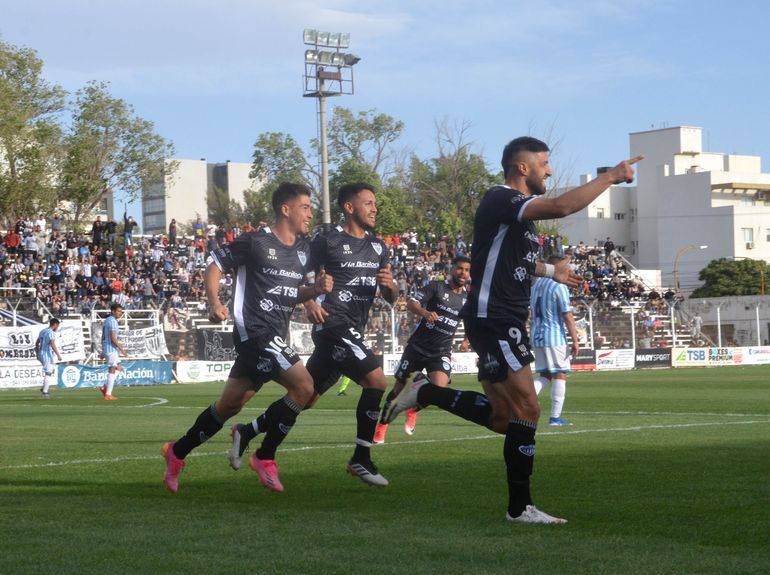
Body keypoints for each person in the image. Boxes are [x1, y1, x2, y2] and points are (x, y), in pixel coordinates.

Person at [384, 136, 641, 524]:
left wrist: (554, 270)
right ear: (522, 167)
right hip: (495, 318)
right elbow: (562, 206)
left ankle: (428, 392)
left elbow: (517, 262)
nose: (549, 170)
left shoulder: (519, 219)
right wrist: (611, 177)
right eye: (544, 163)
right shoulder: (500, 198)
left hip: (502, 318)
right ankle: (520, 508)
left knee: (507, 418)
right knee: (529, 409)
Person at [162, 183, 332, 494]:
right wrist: (215, 302)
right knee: (305, 387)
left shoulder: (301, 251)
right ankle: (265, 457)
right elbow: (214, 266)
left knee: (228, 407)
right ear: (286, 209)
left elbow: (291, 293)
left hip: (273, 335)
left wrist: (314, 292)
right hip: (253, 330)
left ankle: (176, 452)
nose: (311, 213)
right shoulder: (255, 242)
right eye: (305, 207)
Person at [232, 183, 397, 487]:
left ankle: (250, 432)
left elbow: (391, 297)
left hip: (352, 328)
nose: (375, 208)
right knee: (377, 381)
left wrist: (390, 287)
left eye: (375, 203)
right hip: (333, 325)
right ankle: (361, 458)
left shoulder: (378, 247)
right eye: (369, 203)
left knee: (305, 398)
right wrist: (309, 301)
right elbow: (299, 270)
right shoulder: (327, 241)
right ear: (349, 207)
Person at [374, 255, 471, 443]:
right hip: (417, 347)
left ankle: (412, 408)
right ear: (452, 269)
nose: (463, 273)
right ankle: (382, 426)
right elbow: (412, 303)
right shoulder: (436, 287)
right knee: (398, 389)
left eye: (467, 270)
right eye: (460, 268)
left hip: (441, 351)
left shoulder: (468, 299)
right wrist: (425, 313)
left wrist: (467, 340)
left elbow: (471, 321)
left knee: (439, 391)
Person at [530, 255, 580, 427]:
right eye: (566, 266)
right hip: (554, 337)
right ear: (556, 267)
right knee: (560, 374)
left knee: (545, 376)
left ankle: (518, 400)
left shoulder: (536, 285)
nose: (568, 269)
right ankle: (555, 418)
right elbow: (567, 316)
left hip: (537, 336)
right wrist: (575, 340)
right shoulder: (559, 285)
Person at [101, 302, 127, 400]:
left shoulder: (107, 320)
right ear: (113, 311)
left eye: (121, 311)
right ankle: (108, 394)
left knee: (119, 369)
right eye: (119, 311)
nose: (120, 313)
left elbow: (103, 336)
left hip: (109, 348)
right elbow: (112, 337)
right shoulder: (112, 321)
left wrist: (102, 350)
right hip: (111, 349)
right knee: (112, 370)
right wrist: (122, 349)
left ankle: (105, 387)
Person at [35, 318, 63, 397]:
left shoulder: (43, 331)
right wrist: (58, 354)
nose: (57, 328)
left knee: (52, 370)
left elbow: (37, 342)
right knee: (48, 373)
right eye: (57, 326)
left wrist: (37, 353)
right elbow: (52, 343)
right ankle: (45, 392)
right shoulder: (51, 333)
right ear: (55, 325)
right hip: (47, 354)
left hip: (41, 353)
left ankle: (44, 387)